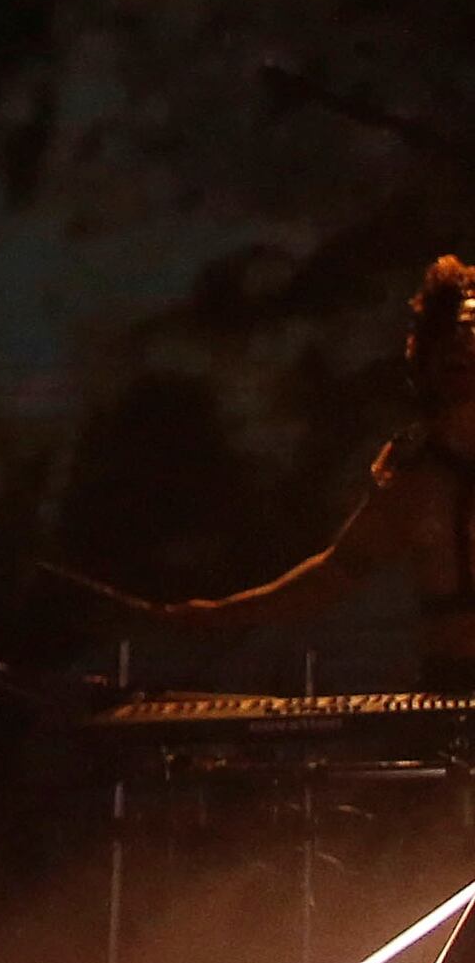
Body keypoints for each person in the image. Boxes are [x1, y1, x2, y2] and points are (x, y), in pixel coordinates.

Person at [51, 259, 475, 689]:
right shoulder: (413, 479)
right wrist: (218, 614)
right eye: (451, 340)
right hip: (447, 692)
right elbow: (329, 578)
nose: (462, 350)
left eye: (471, 336)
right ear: (427, 354)